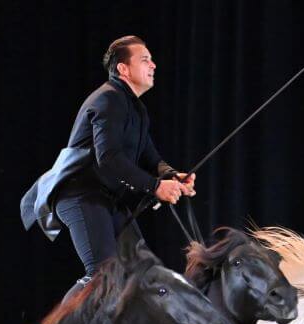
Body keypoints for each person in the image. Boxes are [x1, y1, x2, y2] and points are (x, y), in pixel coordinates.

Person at [21, 35, 196, 287]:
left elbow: (150, 157)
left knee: (142, 273)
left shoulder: (136, 108)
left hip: (106, 198)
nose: (154, 65)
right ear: (123, 69)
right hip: (80, 194)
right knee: (102, 277)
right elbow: (109, 158)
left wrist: (172, 176)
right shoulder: (109, 99)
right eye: (145, 60)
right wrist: (156, 187)